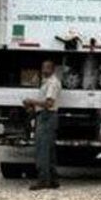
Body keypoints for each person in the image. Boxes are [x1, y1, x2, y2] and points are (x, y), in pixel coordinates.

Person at [23, 59, 61, 190]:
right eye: (43, 68)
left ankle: (43, 180)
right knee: (49, 149)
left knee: (42, 149)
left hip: (47, 116)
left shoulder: (52, 83)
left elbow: (49, 103)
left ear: (53, 69)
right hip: (45, 115)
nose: (44, 70)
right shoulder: (46, 82)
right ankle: (53, 179)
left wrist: (31, 101)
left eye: (47, 68)